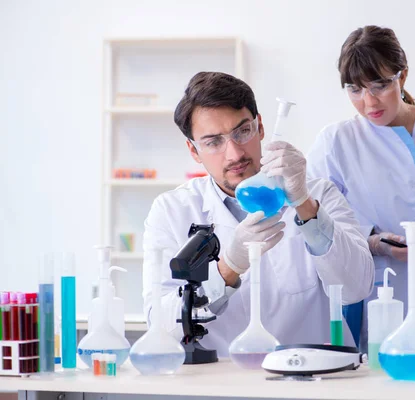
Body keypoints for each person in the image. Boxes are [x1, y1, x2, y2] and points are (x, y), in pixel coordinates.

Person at [142, 72, 375, 356]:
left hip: (313, 379)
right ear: (194, 150)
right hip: (223, 384)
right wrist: (227, 267)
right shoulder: (172, 211)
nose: (234, 154)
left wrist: (303, 203)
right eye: (214, 142)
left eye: (242, 131)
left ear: (261, 127)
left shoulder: (318, 194)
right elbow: (161, 326)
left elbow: (356, 287)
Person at [306, 25, 415, 349]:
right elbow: (315, 221)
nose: (369, 101)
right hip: (386, 288)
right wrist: (373, 241)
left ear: (402, 77)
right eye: (355, 89)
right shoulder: (336, 142)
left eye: (379, 85)